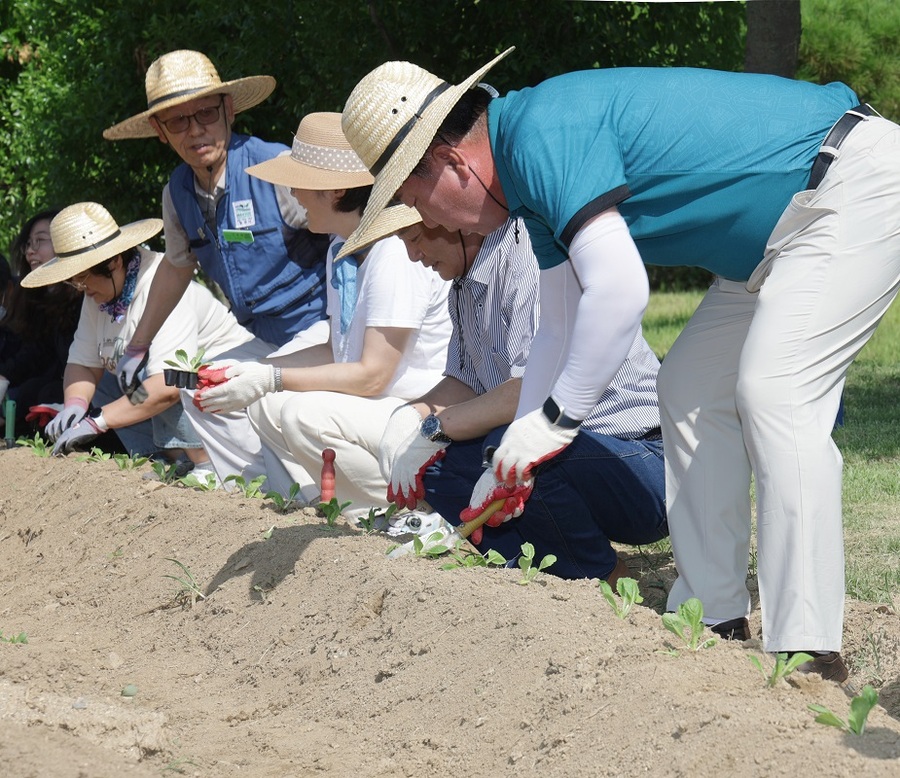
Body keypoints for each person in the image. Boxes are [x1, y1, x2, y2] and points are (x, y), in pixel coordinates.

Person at [339, 49, 900, 682]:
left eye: (417, 200)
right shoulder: (524, 180)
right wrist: (513, 454)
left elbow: (622, 291)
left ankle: (806, 647)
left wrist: (555, 421)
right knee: (687, 387)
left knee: (775, 392)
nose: (430, 220)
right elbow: (561, 324)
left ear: (451, 163)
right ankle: (714, 614)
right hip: (768, 246)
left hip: (849, 183)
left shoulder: (544, 134)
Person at [345, 204, 666, 580]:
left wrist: (432, 428)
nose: (414, 255)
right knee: (436, 468)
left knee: (515, 448)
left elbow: (529, 391)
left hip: (644, 462)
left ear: (451, 221)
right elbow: (463, 382)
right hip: (586, 457)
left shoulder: (526, 260)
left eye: (414, 238)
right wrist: (408, 420)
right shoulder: (463, 288)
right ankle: (523, 576)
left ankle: (601, 576)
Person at [192, 112, 451, 517]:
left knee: (300, 413)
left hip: (418, 409)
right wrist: (257, 373)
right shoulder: (340, 247)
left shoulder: (394, 249)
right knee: (265, 401)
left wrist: (272, 377)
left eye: (302, 182)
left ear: (336, 191)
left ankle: (406, 513)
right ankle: (308, 507)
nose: (293, 193)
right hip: (378, 407)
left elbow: (372, 375)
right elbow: (338, 347)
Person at [103, 49, 330, 410]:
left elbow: (348, 237)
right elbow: (177, 267)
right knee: (194, 387)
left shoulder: (277, 167)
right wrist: (136, 347)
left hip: (321, 328)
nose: (195, 130)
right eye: (176, 122)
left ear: (229, 109)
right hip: (259, 336)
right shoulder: (176, 193)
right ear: (159, 131)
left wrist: (357, 328)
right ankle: (225, 469)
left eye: (206, 113)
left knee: (263, 397)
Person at [22, 202, 254, 467]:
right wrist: (75, 403)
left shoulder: (161, 286)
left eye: (83, 278)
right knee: (111, 379)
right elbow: (83, 363)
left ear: (113, 262)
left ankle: (205, 464)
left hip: (225, 390)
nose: (80, 288)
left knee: (149, 373)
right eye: (74, 280)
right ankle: (163, 461)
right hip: (175, 389)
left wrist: (98, 420)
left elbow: (167, 385)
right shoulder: (98, 295)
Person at [0, 209, 82, 434]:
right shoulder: (35, 297)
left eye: (40, 241)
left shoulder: (85, 294)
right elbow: (36, 349)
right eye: (28, 244)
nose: (31, 250)